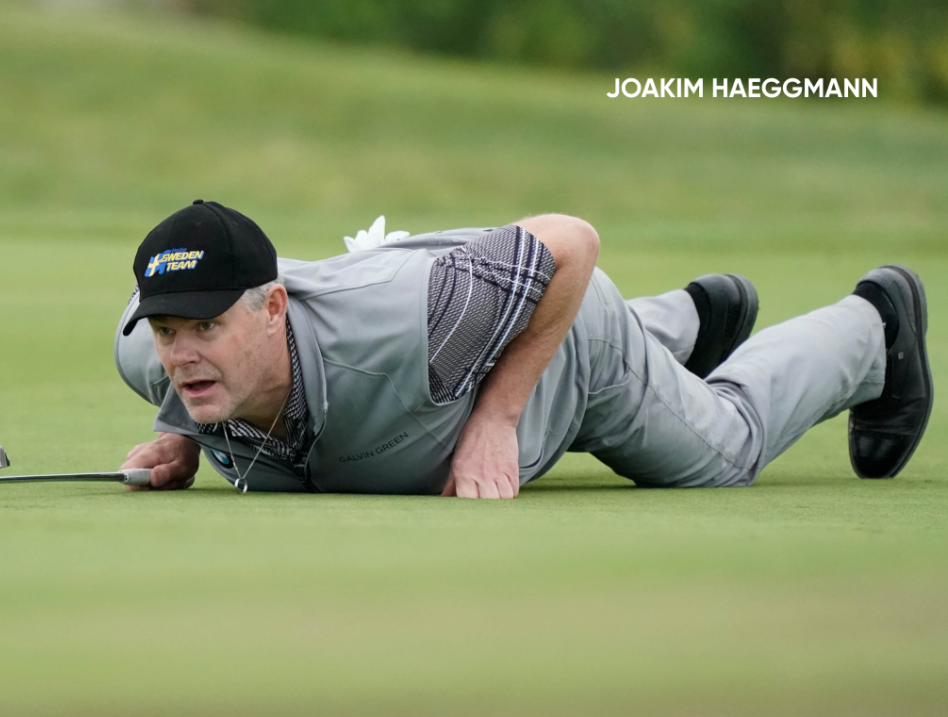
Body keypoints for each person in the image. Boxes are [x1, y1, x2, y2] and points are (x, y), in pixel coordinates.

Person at [115, 200, 932, 498]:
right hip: (478, 329)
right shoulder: (150, 353)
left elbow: (570, 242)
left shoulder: (418, 319)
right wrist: (186, 432)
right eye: (169, 330)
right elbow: (180, 343)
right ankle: (690, 319)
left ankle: (872, 328)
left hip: (574, 350)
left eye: (208, 328)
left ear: (270, 310)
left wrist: (499, 418)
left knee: (726, 447)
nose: (182, 352)